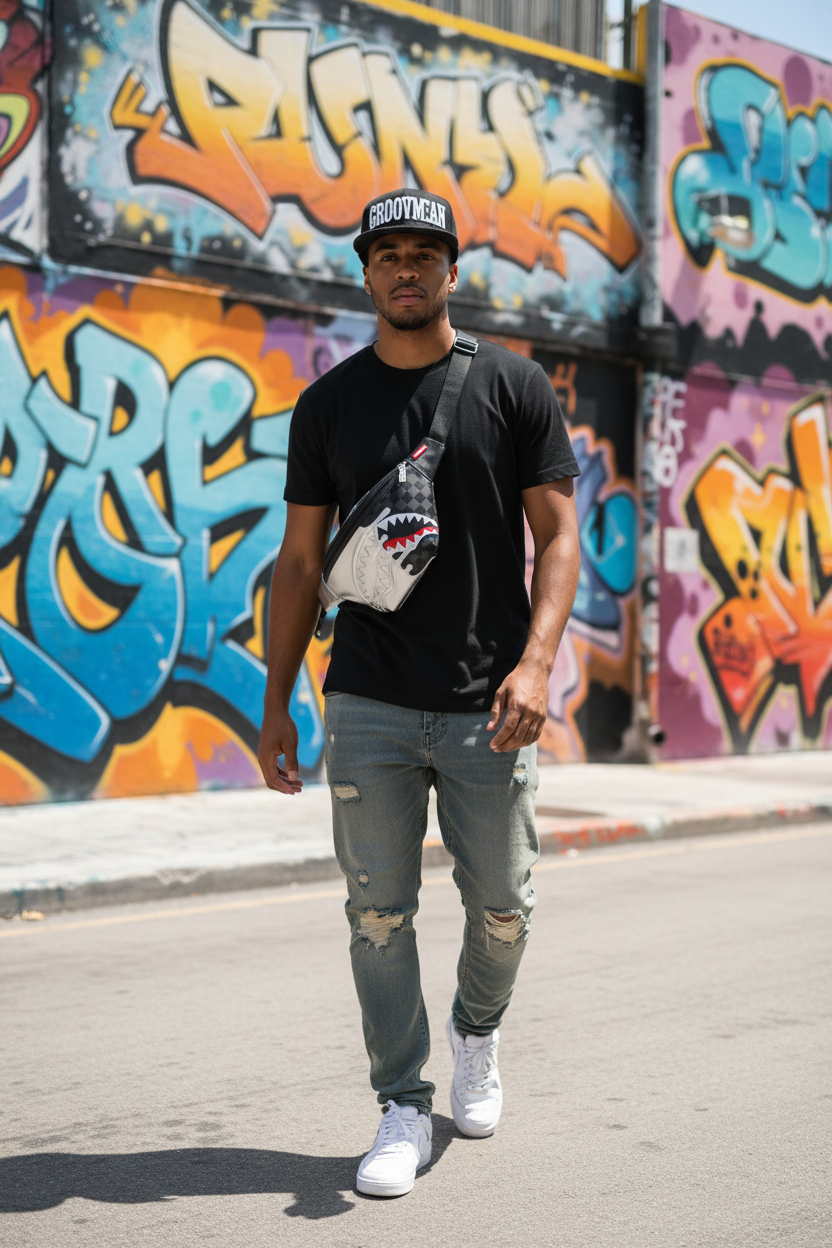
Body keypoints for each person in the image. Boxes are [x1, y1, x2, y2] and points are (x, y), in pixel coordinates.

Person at [259, 189, 581, 1198]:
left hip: (493, 701)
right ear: (365, 271)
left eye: (424, 253)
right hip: (367, 701)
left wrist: (534, 665)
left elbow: (561, 538)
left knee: (504, 907)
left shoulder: (515, 388)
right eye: (387, 253)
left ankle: (475, 1033)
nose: (406, 268)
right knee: (377, 916)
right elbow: (301, 562)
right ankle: (402, 1100)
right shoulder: (329, 404)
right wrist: (275, 704)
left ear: (451, 269)